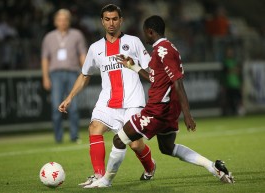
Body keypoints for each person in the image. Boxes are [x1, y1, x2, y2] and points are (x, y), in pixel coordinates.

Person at [86, 15, 234, 188]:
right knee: (167, 147)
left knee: (119, 140)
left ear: (150, 32)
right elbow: (154, 78)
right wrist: (133, 66)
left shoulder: (164, 51)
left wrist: (188, 115)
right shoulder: (163, 49)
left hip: (157, 110)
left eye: (145, 33)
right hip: (168, 109)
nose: (144, 37)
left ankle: (105, 181)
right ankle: (214, 167)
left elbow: (178, 82)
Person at [59, 4, 156, 186]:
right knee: (94, 127)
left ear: (121, 20)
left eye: (114, 19)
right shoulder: (95, 48)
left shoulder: (133, 42)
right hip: (108, 101)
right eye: (107, 19)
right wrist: (69, 97)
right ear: (102, 22)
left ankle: (150, 167)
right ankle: (99, 176)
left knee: (135, 144)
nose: (111, 23)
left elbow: (149, 68)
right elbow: (85, 74)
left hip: (132, 101)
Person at [41, 9, 87, 143]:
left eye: (65, 19)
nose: (62, 22)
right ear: (55, 21)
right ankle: (58, 137)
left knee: (74, 107)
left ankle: (74, 136)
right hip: (55, 74)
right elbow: (45, 58)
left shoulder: (77, 35)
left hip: (73, 72)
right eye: (60, 19)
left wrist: (85, 72)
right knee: (56, 106)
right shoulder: (48, 37)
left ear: (69, 21)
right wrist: (45, 77)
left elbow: (82, 54)